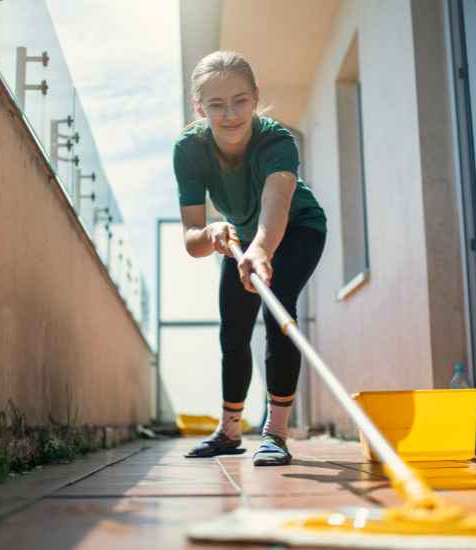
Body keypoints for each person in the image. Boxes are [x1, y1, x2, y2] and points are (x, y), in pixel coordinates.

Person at [172, 51, 326, 466]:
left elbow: (275, 207)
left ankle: (276, 433)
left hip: (297, 230)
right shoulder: (189, 150)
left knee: (280, 312)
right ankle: (230, 431)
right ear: (198, 107)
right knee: (234, 331)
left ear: (256, 97)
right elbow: (192, 239)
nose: (229, 114)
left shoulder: (276, 141)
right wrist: (211, 233)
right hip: (239, 237)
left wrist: (261, 249)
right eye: (216, 104)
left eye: (240, 100)